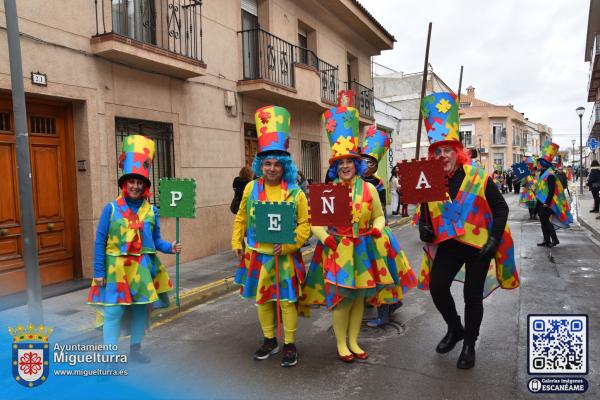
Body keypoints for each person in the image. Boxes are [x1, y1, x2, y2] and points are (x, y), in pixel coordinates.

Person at [302, 91, 417, 362]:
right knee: (342, 300)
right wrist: (325, 238)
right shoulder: (328, 191)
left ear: (356, 164)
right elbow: (315, 222)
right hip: (338, 251)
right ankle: (341, 344)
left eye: (348, 162)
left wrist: (377, 227)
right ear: (335, 166)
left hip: (364, 250)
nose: (345, 166)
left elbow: (378, 215)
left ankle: (354, 341)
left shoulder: (369, 189)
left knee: (358, 299)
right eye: (340, 162)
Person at [416, 92, 519, 369]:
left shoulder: (477, 176)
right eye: (437, 151)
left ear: (458, 151)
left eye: (447, 150)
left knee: (472, 294)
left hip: (479, 246)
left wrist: (494, 239)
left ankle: (470, 343)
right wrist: (423, 229)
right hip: (449, 243)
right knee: (437, 287)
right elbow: (424, 214)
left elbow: (501, 209)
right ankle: (455, 328)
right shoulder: (430, 181)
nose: (442, 155)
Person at [88, 135, 182, 363]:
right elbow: (100, 242)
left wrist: (170, 247)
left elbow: (156, 241)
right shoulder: (110, 209)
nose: (135, 186)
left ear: (145, 186)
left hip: (141, 268)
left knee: (141, 308)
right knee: (113, 311)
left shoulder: (152, 211)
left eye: (140, 182)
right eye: (131, 181)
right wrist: (98, 272)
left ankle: (136, 348)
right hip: (115, 270)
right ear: (124, 183)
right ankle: (109, 357)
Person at [231, 105, 310, 368]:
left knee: (287, 301)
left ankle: (289, 343)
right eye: (267, 163)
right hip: (258, 255)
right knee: (263, 299)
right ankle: (269, 339)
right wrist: (236, 242)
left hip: (285, 257)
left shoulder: (296, 193)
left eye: (277, 163)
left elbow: (305, 225)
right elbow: (241, 216)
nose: (272, 168)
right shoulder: (251, 188)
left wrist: (289, 245)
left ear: (285, 166)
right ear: (260, 165)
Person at [534, 142, 573, 247]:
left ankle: (554, 240)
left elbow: (551, 190)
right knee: (543, 222)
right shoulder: (542, 174)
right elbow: (541, 188)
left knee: (546, 222)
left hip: (547, 203)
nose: (538, 164)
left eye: (539, 162)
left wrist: (547, 202)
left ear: (544, 164)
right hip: (540, 202)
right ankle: (546, 240)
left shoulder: (550, 175)